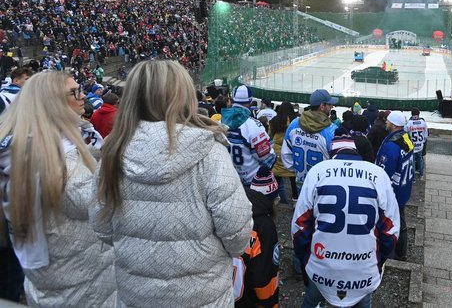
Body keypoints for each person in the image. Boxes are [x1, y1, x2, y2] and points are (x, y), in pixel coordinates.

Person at [91, 60, 253, 307]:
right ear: (184, 95)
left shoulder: (112, 152)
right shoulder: (210, 152)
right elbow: (238, 238)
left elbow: (101, 228)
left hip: (136, 295)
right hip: (203, 297)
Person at [0, 71, 116, 306]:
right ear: (51, 103)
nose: (82, 96)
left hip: (47, 279)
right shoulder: (62, 162)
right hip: (81, 283)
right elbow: (104, 206)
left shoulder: (21, 149)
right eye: (74, 92)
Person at [292, 130, 400, 308]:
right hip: (363, 268)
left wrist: (304, 257)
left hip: (322, 266)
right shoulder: (378, 175)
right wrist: (378, 259)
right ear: (355, 151)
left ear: (333, 152)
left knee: (311, 302)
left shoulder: (318, 171)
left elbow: (299, 227)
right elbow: (391, 229)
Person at [232, 167, 280, 308]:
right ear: (273, 200)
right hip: (248, 300)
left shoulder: (232, 211)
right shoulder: (265, 226)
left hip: (222, 295)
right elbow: (264, 275)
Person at [375, 110, 414, 261]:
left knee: (391, 222)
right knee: (401, 219)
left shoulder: (391, 147)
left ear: (393, 124)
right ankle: (401, 251)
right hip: (404, 188)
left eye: (388, 121)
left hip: (394, 193)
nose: (386, 123)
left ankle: (393, 253)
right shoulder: (406, 137)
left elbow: (383, 174)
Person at [222, 84, 277, 186]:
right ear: (250, 101)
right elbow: (267, 157)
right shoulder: (254, 125)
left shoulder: (220, 121)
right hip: (250, 182)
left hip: (228, 179)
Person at [281, 88, 338, 184]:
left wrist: (297, 171)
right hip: (323, 184)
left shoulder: (294, 124)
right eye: (329, 104)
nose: (332, 106)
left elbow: (285, 154)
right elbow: (337, 162)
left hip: (301, 182)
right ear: (322, 106)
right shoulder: (332, 130)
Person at [269, 102, 299, 204]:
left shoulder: (274, 121)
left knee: (277, 177)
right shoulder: (296, 121)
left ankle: (276, 199)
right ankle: (296, 201)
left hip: (278, 152)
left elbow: (270, 136)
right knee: (293, 179)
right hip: (291, 150)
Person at [404, 108, 428, 178]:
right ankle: (421, 173)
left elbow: (405, 133)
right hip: (420, 145)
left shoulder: (409, 123)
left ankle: (413, 177)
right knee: (420, 158)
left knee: (412, 160)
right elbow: (426, 134)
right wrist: (423, 141)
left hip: (412, 145)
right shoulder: (423, 122)